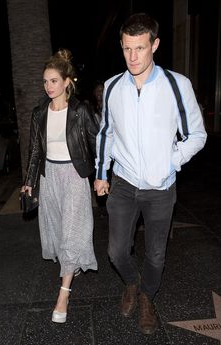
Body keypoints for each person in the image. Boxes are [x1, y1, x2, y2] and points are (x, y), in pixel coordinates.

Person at [94, 13, 207, 335]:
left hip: (161, 187)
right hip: (124, 183)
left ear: (154, 45)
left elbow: (196, 135)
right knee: (116, 251)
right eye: (127, 48)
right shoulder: (113, 86)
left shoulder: (177, 85)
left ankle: (147, 297)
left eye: (140, 48)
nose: (132, 57)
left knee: (156, 255)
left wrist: (170, 162)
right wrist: (102, 173)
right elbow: (106, 133)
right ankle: (132, 283)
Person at [21, 48, 98, 324]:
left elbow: (98, 143)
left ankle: (63, 296)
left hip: (75, 176)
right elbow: (34, 151)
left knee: (72, 232)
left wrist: (101, 175)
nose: (48, 86)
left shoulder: (81, 111)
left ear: (67, 81)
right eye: (45, 81)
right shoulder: (40, 111)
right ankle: (70, 264)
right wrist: (29, 182)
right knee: (55, 230)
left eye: (53, 80)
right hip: (49, 176)